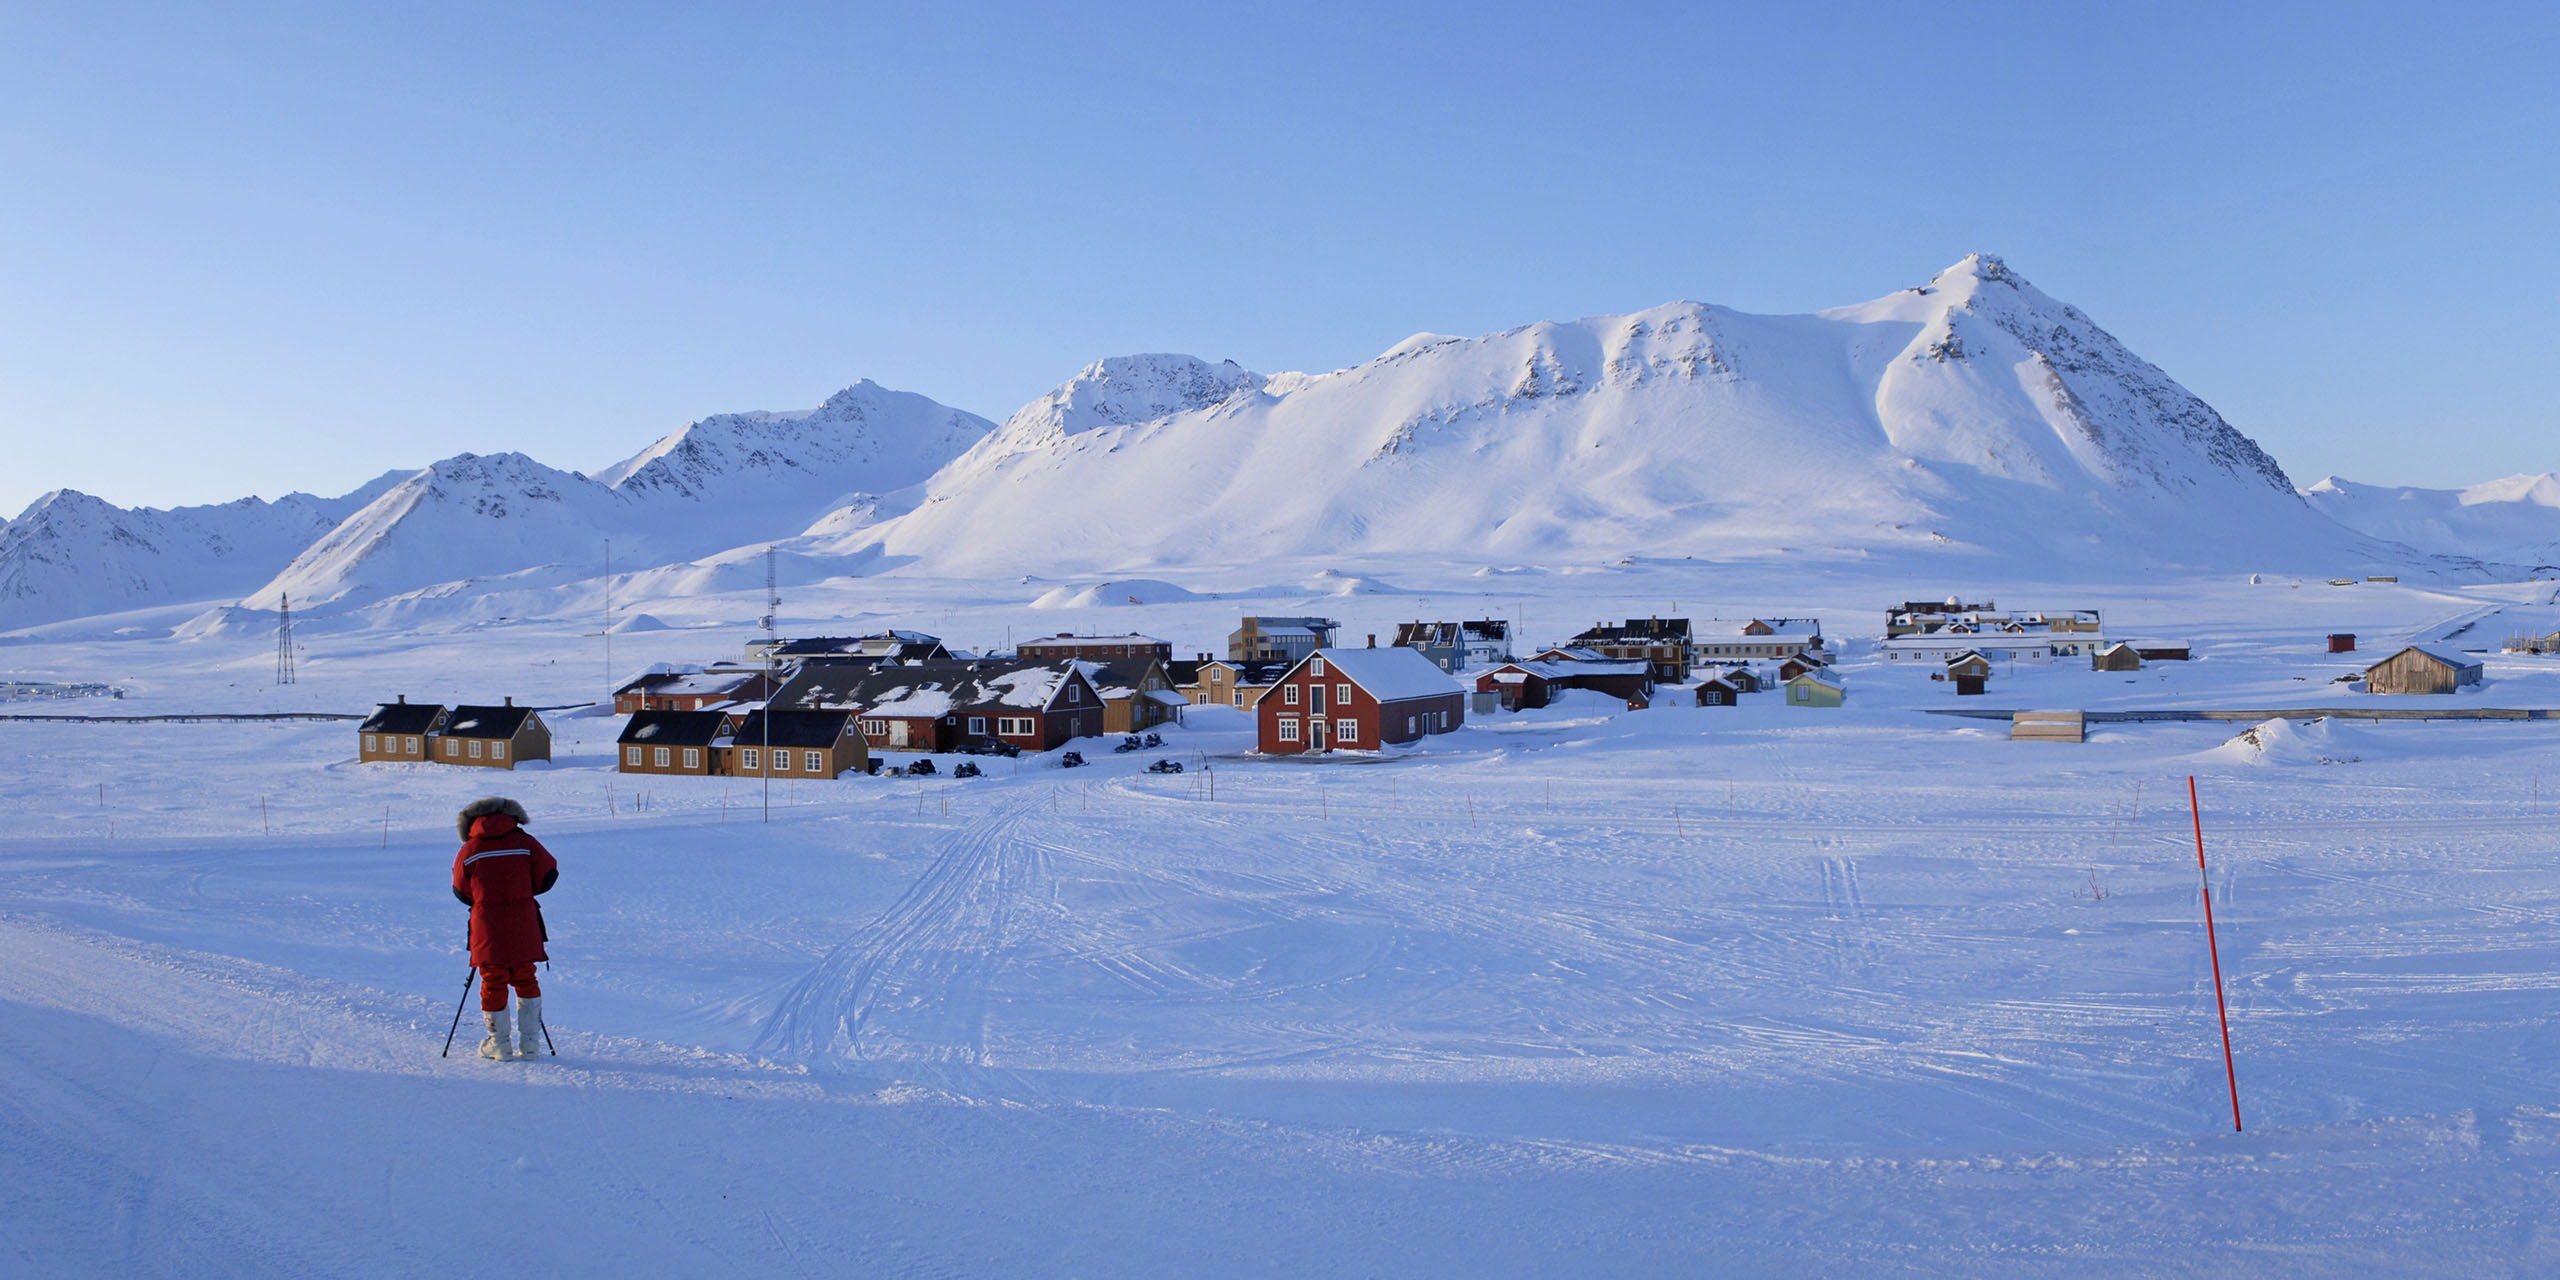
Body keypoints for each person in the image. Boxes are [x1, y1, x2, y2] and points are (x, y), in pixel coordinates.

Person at [450, 796, 558, 1060]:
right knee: (525, 976)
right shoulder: (525, 843)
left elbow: (460, 890)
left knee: (492, 980)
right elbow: (548, 874)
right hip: (523, 921)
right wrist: (521, 890)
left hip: (487, 925)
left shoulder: (470, 850)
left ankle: (498, 1044)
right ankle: (531, 1045)